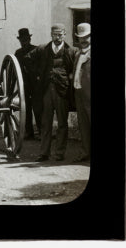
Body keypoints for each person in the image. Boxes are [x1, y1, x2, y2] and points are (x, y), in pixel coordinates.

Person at [34, 23, 75, 162]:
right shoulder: (42, 49)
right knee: (46, 123)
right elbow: (28, 59)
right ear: (51, 34)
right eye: (55, 34)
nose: (57, 37)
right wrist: (38, 74)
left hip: (62, 91)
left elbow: (74, 69)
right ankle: (44, 153)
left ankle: (59, 153)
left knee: (62, 123)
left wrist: (69, 76)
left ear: (64, 34)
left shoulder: (71, 51)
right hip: (46, 90)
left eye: (60, 34)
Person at [14, 27, 39, 140]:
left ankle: (42, 131)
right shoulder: (18, 53)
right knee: (25, 109)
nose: (24, 42)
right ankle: (29, 132)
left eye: (26, 39)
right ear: (19, 40)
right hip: (23, 85)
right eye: (22, 40)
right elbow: (15, 69)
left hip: (36, 85)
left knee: (38, 108)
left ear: (29, 39)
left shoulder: (36, 50)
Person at [72, 22, 91, 162]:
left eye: (86, 37)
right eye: (81, 38)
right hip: (79, 95)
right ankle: (85, 152)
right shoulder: (78, 53)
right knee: (83, 125)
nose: (83, 41)